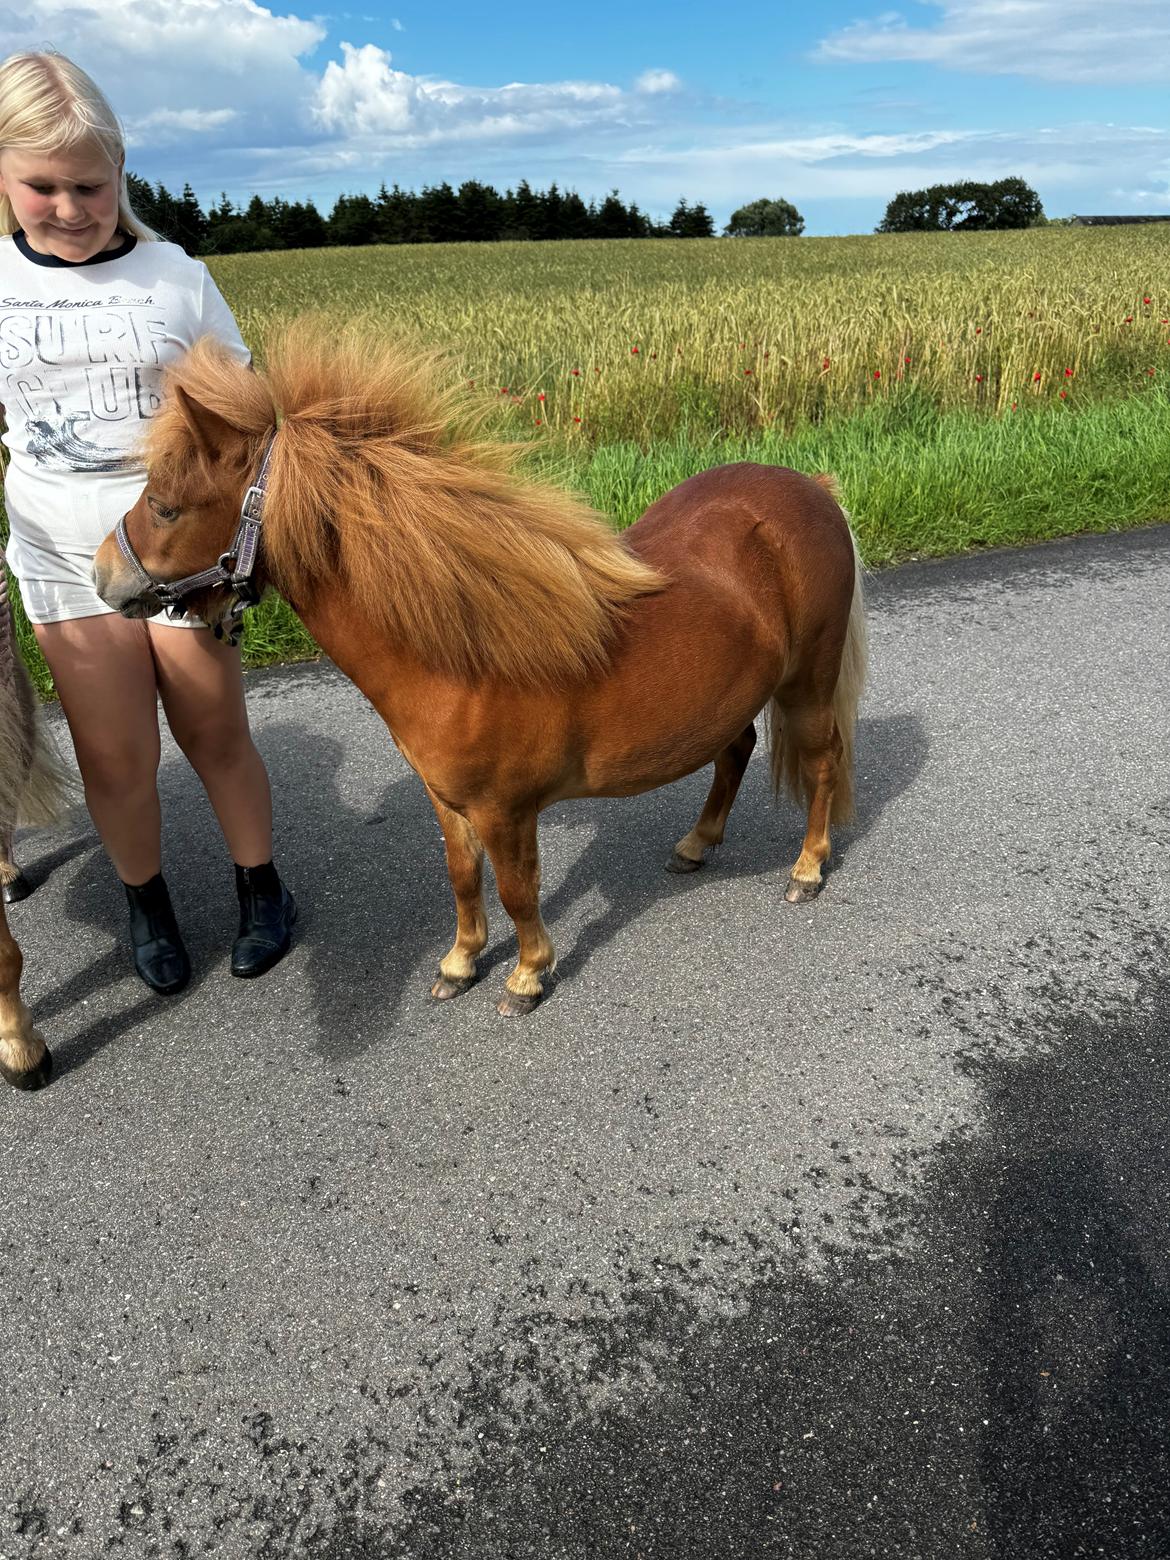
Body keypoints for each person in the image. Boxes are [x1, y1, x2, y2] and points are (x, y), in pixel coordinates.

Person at [0, 50, 295, 994]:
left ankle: (262, 887)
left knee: (214, 732)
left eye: (90, 184)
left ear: (120, 172)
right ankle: (149, 904)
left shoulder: (175, 277)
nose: (71, 207)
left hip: (179, 553)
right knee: (115, 757)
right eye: (42, 186)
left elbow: (245, 412)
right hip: (58, 550)